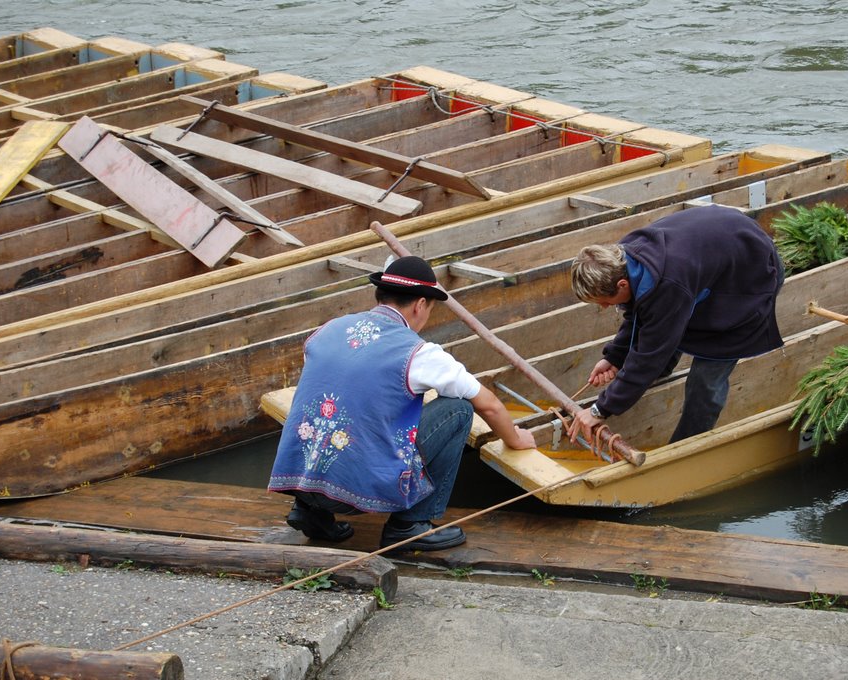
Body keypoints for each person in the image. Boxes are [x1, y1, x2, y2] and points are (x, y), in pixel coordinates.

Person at [268, 255, 535, 551]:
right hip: (357, 494)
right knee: (458, 410)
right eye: (430, 310)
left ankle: (309, 511)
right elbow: (490, 405)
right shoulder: (418, 353)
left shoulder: (327, 330)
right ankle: (409, 525)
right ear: (420, 305)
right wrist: (516, 439)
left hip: (301, 481)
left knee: (335, 409)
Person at [567, 204, 785, 446]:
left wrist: (599, 410)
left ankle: (685, 447)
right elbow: (642, 312)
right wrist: (616, 357)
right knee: (666, 329)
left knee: (705, 382)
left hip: (749, 278)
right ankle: (661, 373)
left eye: (606, 302)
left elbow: (650, 354)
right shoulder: (625, 258)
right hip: (719, 253)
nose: (606, 307)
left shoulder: (669, 285)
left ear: (621, 284)